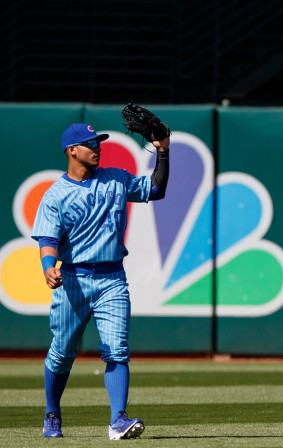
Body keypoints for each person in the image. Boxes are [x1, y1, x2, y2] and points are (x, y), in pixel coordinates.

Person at [32, 122, 170, 440]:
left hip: (112, 278)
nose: (97, 147)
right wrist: (48, 266)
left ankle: (118, 420)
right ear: (72, 151)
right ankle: (52, 413)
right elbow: (48, 239)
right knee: (62, 352)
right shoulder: (56, 195)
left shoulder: (116, 179)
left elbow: (156, 189)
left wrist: (163, 152)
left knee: (117, 350)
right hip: (73, 280)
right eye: (90, 143)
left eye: (99, 142)